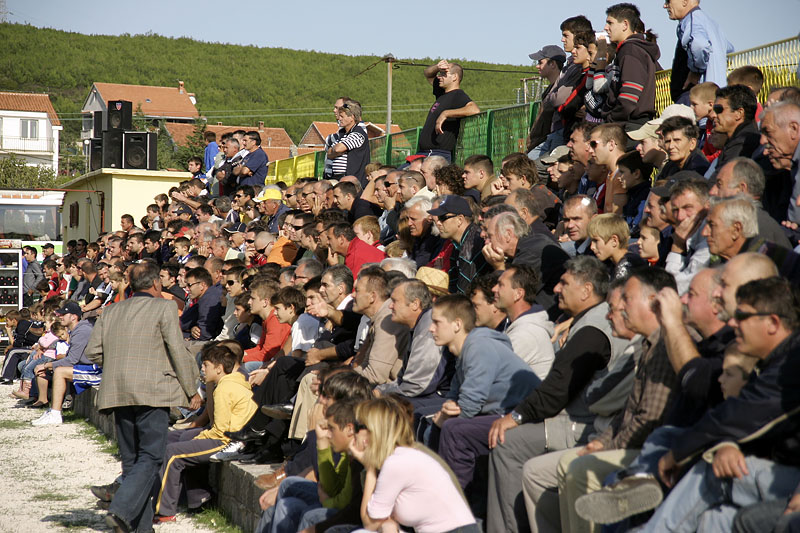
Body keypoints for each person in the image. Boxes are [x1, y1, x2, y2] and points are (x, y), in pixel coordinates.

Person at [636, 277, 800, 532]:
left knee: (711, 471)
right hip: (781, 474)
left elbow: (736, 415)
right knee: (717, 518)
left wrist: (677, 453)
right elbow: (744, 417)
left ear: (773, 323)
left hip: (789, 481)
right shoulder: (779, 360)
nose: (732, 322)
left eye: (742, 316)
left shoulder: (791, 365)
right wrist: (725, 444)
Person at [485, 256, 629, 533]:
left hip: (586, 426)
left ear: (586, 290)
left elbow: (557, 389)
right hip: (578, 418)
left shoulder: (593, 329)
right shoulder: (591, 320)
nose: (556, 289)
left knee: (506, 441)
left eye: (564, 283)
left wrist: (516, 416)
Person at [83, 261, 199, 532]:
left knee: (132, 460)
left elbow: (93, 352)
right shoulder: (165, 307)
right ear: (156, 283)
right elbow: (177, 349)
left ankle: (140, 528)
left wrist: (119, 364)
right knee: (151, 457)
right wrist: (191, 389)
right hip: (153, 391)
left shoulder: (111, 310)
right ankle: (121, 509)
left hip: (118, 390)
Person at [153, 344, 256, 522]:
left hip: (229, 441)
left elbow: (221, 432)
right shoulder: (226, 383)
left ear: (219, 368)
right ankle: (195, 497)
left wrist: (198, 438)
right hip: (226, 435)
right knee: (174, 438)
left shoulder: (225, 388)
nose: (202, 368)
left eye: (206, 365)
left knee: (173, 453)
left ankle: (164, 510)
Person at [348, 397, 480, 533]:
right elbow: (380, 521)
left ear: (373, 431)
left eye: (358, 427)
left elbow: (370, 524)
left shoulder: (396, 463)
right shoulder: (403, 456)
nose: (353, 433)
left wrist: (369, 469)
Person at [492, 265, 555, 380]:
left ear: (518, 294)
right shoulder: (518, 326)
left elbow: (490, 375)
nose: (494, 289)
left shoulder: (526, 334)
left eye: (501, 285)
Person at [664, 0, 733, 103]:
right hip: (715, 95)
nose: (665, 6)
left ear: (684, 1)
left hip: (698, 96)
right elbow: (730, 50)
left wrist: (696, 70)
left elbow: (699, 45)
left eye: (668, 1)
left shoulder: (692, 21)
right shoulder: (711, 23)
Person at [602, 3, 659, 127]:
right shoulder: (634, 49)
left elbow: (629, 96)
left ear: (625, 25)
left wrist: (611, 120)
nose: (606, 28)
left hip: (629, 125)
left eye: (610, 23)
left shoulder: (631, 50)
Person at [419, 59, 481, 161]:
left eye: (443, 74)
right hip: (426, 152)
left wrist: (445, 113)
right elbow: (427, 73)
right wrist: (437, 67)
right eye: (440, 74)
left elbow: (474, 109)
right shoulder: (441, 93)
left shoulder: (457, 94)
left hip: (437, 153)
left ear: (455, 77)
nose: (439, 76)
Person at [429, 194, 490, 295]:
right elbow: (453, 286)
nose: (438, 223)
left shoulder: (471, 245)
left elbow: (463, 295)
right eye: (438, 218)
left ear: (460, 219)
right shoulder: (459, 243)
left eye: (443, 218)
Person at [706, 84, 761, 178]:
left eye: (719, 109)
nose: (714, 115)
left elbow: (721, 181)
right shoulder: (735, 139)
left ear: (739, 113)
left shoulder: (743, 143)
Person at [588, 212, 646, 280]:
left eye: (596, 241)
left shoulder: (629, 265)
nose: (592, 247)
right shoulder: (612, 264)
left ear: (614, 241)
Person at [327, 99, 370, 187]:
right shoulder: (343, 134)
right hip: (340, 179)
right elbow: (329, 154)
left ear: (352, 117)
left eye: (342, 116)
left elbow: (337, 149)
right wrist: (338, 150)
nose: (339, 119)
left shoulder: (358, 134)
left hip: (351, 182)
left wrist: (337, 150)